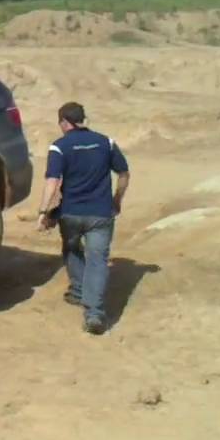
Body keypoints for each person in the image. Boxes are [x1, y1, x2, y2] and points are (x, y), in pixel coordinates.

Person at [36, 102, 131, 334]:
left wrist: (43, 212)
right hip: (100, 214)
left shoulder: (59, 147)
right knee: (97, 260)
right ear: (82, 119)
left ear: (64, 122)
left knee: (71, 248)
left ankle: (78, 290)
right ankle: (94, 314)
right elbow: (124, 173)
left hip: (70, 214)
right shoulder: (105, 142)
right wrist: (117, 199)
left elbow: (52, 182)